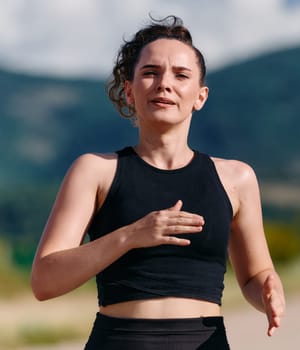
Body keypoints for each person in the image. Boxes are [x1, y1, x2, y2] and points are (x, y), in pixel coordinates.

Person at [31, 15, 285, 349]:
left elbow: (254, 276)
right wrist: (131, 236)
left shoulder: (237, 178)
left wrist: (269, 288)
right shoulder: (95, 171)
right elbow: (44, 281)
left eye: (181, 75)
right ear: (130, 91)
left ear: (200, 96)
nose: (164, 84)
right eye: (150, 72)